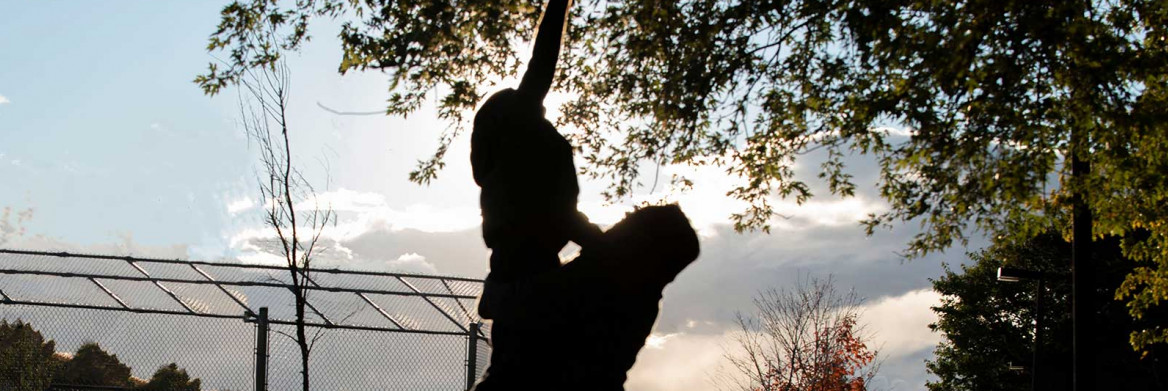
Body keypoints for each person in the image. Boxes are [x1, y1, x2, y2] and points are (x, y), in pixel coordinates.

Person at [470, 0, 600, 321]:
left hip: (513, 272)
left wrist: (591, 237)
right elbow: (542, 61)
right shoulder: (521, 132)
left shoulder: (502, 168)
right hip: (531, 274)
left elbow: (555, 213)